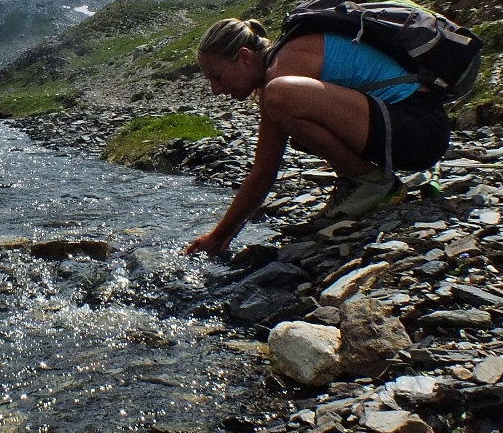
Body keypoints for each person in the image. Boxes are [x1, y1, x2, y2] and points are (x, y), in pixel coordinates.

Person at [184, 16, 450, 257]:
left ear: (244, 57)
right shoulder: (283, 61)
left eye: (217, 77)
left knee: (279, 96)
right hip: (406, 129)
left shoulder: (285, 67)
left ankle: (371, 185)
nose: (216, 89)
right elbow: (265, 167)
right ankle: (358, 183)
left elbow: (264, 172)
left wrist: (218, 238)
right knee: (286, 111)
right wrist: (223, 236)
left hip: (420, 130)